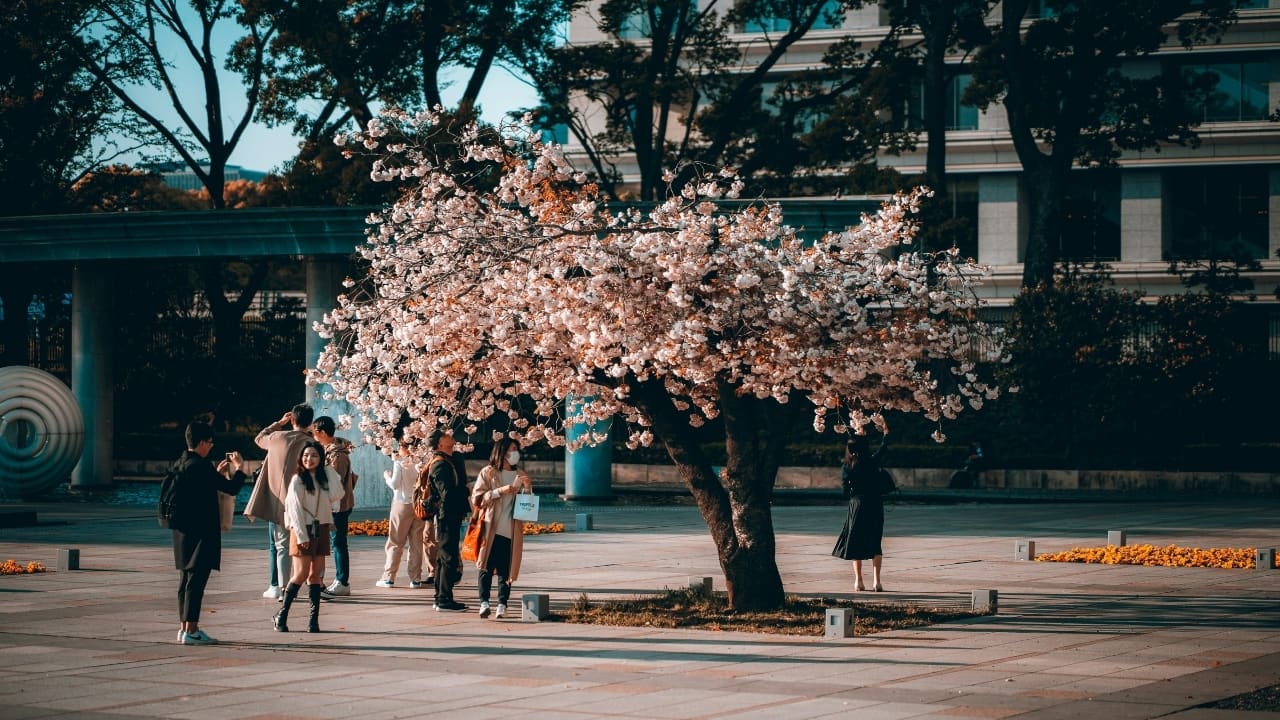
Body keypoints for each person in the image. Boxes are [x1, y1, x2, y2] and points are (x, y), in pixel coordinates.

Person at [169, 421, 248, 645]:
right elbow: (231, 489)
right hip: (201, 531)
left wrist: (217, 474)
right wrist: (240, 469)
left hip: (182, 532)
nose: (211, 447)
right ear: (202, 442)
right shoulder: (201, 466)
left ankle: (183, 628)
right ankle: (192, 631)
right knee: (196, 582)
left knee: (185, 580)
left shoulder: (181, 463)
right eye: (210, 442)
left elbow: (200, 489)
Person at [244, 403, 314, 601]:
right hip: (305, 502)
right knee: (306, 544)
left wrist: (279, 423)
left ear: (292, 420)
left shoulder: (276, 438)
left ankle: (283, 589)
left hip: (279, 501)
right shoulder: (311, 443)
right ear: (310, 422)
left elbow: (259, 437)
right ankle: (312, 583)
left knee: (281, 546)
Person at [274, 440, 344, 633]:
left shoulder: (324, 478)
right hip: (302, 529)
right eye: (305, 455)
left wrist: (328, 469)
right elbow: (294, 509)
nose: (309, 459)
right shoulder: (298, 479)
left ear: (321, 458)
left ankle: (313, 621)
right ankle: (282, 615)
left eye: (314, 455)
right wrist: (301, 535)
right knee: (301, 573)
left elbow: (339, 493)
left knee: (316, 575)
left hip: (320, 528)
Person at [469, 437, 533, 619]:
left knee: (506, 570)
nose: (516, 453)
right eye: (513, 449)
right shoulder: (488, 473)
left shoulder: (520, 475)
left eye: (517, 449)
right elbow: (477, 499)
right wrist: (500, 491)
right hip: (490, 528)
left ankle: (502, 605)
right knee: (485, 567)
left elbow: (527, 509)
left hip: (511, 530)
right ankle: (484, 603)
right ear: (503, 452)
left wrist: (527, 488)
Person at [831, 433, 889, 592]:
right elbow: (883, 448)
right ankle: (877, 582)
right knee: (875, 541)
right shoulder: (872, 461)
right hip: (875, 504)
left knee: (856, 541)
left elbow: (844, 491)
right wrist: (885, 433)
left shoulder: (848, 466)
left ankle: (859, 581)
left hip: (857, 505)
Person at [314, 416, 358, 598]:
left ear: (322, 432)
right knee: (335, 542)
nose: (313, 435)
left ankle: (342, 581)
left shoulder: (338, 455)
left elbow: (335, 482)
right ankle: (338, 580)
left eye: (315, 432)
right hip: (333, 504)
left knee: (338, 542)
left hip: (338, 506)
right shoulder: (330, 451)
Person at [377, 440, 428, 589]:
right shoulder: (421, 461)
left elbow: (395, 484)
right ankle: (415, 579)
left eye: (399, 446)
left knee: (395, 542)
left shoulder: (400, 462)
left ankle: (389, 577)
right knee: (416, 543)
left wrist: (387, 476)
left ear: (404, 448)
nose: (397, 450)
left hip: (402, 504)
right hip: (418, 505)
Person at [429, 428, 469, 611]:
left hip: (450, 514)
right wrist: (466, 491)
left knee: (444, 557)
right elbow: (448, 493)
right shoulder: (439, 464)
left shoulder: (449, 461)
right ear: (440, 443)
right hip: (446, 516)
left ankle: (440, 597)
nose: (450, 435)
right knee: (448, 558)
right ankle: (444, 599)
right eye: (445, 435)